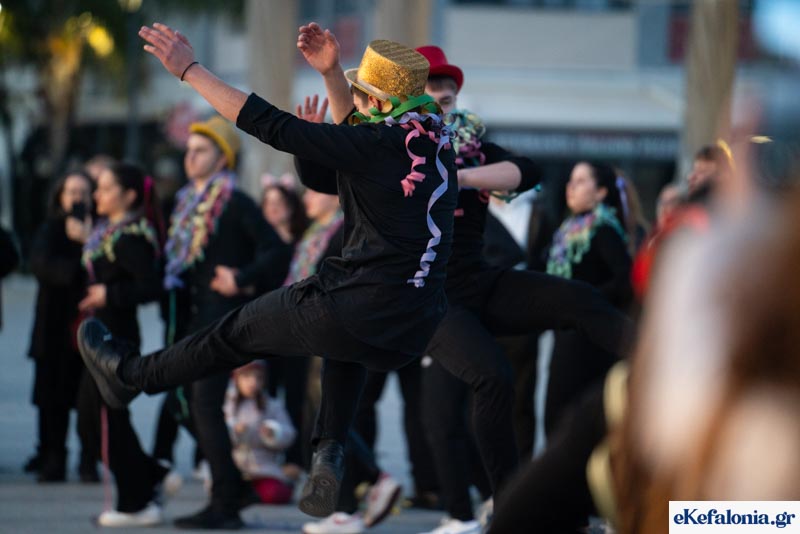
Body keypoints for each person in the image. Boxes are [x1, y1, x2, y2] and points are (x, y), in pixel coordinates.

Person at [78, 22, 457, 528]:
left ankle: (130, 377)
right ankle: (330, 454)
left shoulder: (377, 145)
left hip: (352, 304)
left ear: (379, 104)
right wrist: (331, 75)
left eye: (361, 96)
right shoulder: (433, 144)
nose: (354, 105)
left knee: (230, 336)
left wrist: (191, 71)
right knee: (348, 348)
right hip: (412, 324)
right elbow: (339, 158)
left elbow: (271, 125)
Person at [296, 28, 633, 534]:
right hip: (430, 298)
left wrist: (461, 176)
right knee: (489, 380)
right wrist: (328, 82)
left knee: (581, 300)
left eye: (448, 99)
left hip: (480, 280)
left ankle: (662, 373)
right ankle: (509, 510)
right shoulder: (391, 152)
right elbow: (329, 165)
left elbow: (528, 171)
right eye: (430, 97)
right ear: (407, 102)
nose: (441, 106)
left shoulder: (471, 150)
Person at [149, 114, 291, 530]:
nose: (190, 157)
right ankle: (232, 488)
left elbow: (277, 251)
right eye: (189, 150)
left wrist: (241, 278)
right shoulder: (183, 203)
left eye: (202, 150)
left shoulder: (235, 202)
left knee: (205, 404)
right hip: (191, 320)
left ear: (223, 157)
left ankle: (226, 501)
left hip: (221, 321)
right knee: (189, 404)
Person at [77, 162, 174, 527]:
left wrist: (110, 293)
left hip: (116, 339)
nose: (97, 194)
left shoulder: (132, 237)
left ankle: (137, 503)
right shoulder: (106, 232)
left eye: (105, 188)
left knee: (106, 420)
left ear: (129, 196)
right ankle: (150, 475)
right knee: (93, 420)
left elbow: (152, 286)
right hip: (100, 336)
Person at [26, 170, 95, 482]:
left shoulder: (98, 231)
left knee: (88, 399)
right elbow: (41, 265)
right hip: (53, 326)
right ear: (60, 197)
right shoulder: (50, 229)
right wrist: (76, 267)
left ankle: (88, 460)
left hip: (88, 326)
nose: (77, 198)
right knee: (51, 399)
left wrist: (86, 242)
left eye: (83, 192)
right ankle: (52, 457)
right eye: (72, 192)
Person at [224, 360, 296, 505]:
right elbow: (217, 437)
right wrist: (234, 431)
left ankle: (255, 494)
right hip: (237, 467)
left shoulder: (272, 406)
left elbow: (289, 433)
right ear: (236, 379)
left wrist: (273, 433)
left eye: (258, 378)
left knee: (275, 494)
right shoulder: (227, 406)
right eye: (247, 377)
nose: (253, 382)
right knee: (225, 491)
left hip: (264, 468)